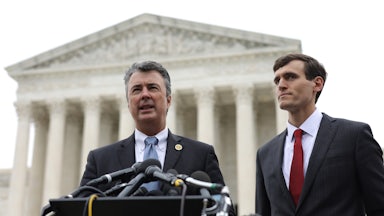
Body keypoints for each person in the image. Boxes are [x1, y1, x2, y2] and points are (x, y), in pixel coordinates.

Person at [80, 60, 236, 215]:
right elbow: (81, 209)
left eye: (152, 88)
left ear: (168, 100)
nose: (145, 95)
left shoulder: (200, 154)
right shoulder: (101, 160)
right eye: (136, 90)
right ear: (128, 104)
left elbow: (224, 209)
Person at [255, 53, 384, 216]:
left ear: (317, 84)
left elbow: (379, 206)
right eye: (277, 80)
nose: (281, 85)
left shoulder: (354, 136)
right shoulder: (265, 153)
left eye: (290, 77)